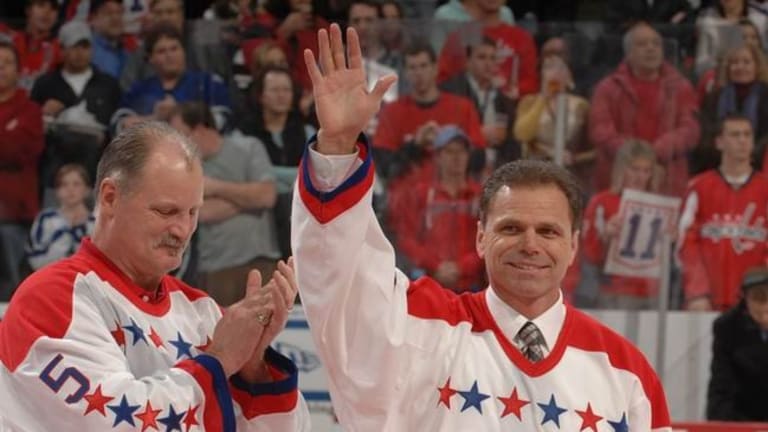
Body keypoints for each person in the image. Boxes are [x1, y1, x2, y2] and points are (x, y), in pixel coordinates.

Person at [292, 23, 671, 431]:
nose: (530, 244)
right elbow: (342, 282)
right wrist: (338, 146)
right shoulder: (421, 328)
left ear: (574, 245)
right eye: (511, 228)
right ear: (480, 237)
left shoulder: (626, 372)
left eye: (548, 231)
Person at [0, 121, 310, 430]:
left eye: (192, 212)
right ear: (110, 198)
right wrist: (219, 361)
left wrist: (253, 369)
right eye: (166, 211)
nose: (183, 230)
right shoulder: (51, 299)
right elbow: (119, 425)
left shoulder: (202, 310)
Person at [169, 102, 281, 307]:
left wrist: (214, 188)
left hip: (261, 263)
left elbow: (267, 196)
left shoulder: (249, 147)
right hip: (215, 271)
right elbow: (202, 214)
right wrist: (248, 197)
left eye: (181, 135)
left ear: (200, 130)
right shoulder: (187, 169)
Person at [589, 22, 700, 197]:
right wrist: (636, 156)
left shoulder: (681, 87)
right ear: (628, 52)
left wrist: (656, 151)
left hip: (668, 184)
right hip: (618, 186)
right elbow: (601, 131)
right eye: (642, 44)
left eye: (656, 44)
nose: (651, 48)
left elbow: (690, 130)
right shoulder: (607, 88)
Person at [678, 114, 768, 311]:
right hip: (706, 301)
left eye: (747, 135)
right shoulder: (698, 187)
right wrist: (697, 292)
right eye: (735, 135)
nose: (742, 140)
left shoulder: (765, 189)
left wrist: (762, 290)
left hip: (758, 304)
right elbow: (685, 242)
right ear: (719, 142)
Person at [577, 140, 664, 309]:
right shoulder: (602, 202)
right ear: (621, 170)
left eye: (646, 171)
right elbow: (588, 254)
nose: (640, 177)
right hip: (613, 291)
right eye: (634, 169)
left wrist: (670, 240)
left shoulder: (659, 206)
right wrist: (606, 236)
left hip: (651, 290)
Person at [706, 265, 768, 422]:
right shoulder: (727, 327)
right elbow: (721, 386)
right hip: (741, 417)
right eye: (758, 298)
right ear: (745, 299)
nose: (765, 306)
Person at [26, 164, 95, 271]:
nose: (70, 189)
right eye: (64, 185)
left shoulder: (96, 222)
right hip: (51, 277)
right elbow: (34, 257)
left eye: (76, 184)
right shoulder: (46, 219)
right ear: (57, 191)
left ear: (87, 189)